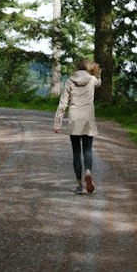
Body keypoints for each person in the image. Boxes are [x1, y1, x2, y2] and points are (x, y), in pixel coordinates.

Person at [54, 59, 102, 194]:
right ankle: (88, 171)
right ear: (87, 68)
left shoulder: (69, 81)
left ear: (76, 69)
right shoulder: (92, 80)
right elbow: (99, 82)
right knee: (87, 150)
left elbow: (63, 103)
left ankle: (79, 185)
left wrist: (57, 123)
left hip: (74, 119)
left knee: (76, 152)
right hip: (88, 119)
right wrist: (97, 72)